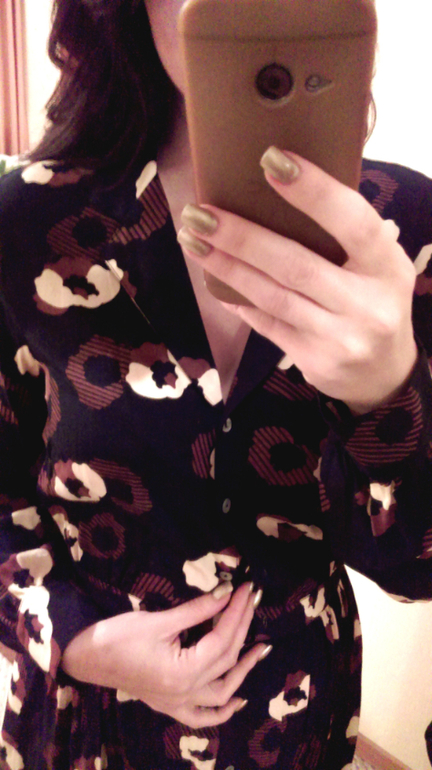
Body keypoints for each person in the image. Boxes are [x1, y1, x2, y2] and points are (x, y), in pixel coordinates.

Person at [0, 1, 431, 768]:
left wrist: (385, 397)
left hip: (296, 721)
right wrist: (76, 640)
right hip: (94, 722)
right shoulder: (27, 221)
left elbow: (416, 570)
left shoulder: (406, 234)